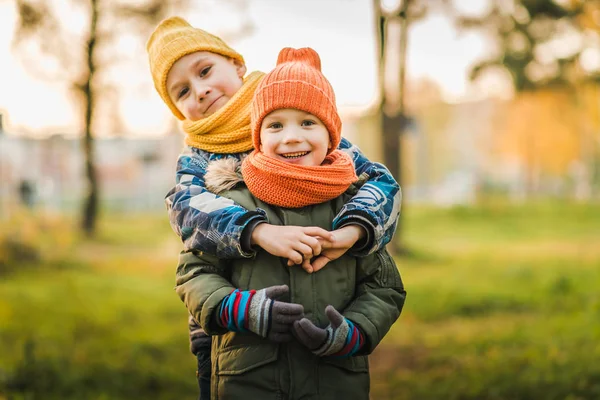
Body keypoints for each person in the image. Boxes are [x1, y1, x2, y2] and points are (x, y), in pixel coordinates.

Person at [146, 17, 402, 399]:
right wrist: (260, 231)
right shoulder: (198, 156)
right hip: (235, 330)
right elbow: (186, 210)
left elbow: (381, 184)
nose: (199, 91)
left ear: (236, 65)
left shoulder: (293, 107)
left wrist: (349, 232)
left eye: (204, 71)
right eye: (182, 91)